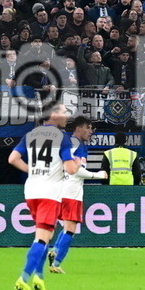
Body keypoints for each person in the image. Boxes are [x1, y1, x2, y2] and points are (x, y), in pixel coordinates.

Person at [7, 103, 79, 290]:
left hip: (31, 190)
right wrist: (76, 161)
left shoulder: (30, 135)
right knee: (41, 238)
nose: (67, 115)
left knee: (43, 236)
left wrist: (31, 170)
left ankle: (39, 278)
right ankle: (23, 278)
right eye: (64, 112)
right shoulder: (62, 137)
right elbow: (71, 170)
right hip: (50, 192)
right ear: (53, 115)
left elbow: (12, 159)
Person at [48, 116, 107, 273]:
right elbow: (76, 170)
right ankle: (56, 263)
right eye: (88, 127)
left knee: (67, 227)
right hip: (71, 192)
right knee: (70, 229)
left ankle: (54, 252)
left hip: (63, 190)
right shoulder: (76, 144)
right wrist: (98, 175)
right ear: (79, 128)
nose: (91, 131)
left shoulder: (69, 142)